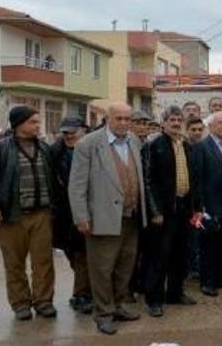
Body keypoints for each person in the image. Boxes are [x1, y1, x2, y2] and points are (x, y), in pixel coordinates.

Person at [69, 102, 158, 335]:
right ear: (108, 118)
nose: (124, 123)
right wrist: (81, 217)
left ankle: (118, 305)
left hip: (131, 217)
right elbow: (76, 185)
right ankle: (103, 314)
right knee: (102, 270)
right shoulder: (88, 144)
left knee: (124, 267)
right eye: (119, 118)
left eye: (128, 119)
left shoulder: (134, 141)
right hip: (102, 218)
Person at [0, 106, 59, 321]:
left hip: (42, 215)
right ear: (19, 124)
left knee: (43, 262)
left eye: (38, 121)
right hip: (11, 216)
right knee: (14, 263)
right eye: (33, 122)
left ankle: (44, 302)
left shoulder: (45, 148)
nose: (38, 125)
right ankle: (20, 304)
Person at [142, 106, 199, 318]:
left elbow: (194, 179)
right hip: (164, 211)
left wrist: (195, 208)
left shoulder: (186, 145)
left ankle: (175, 293)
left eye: (178, 120)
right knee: (159, 256)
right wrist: (155, 211)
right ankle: (154, 300)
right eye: (172, 120)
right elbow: (147, 181)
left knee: (180, 255)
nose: (176, 123)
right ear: (163, 122)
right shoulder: (154, 145)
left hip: (184, 208)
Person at [191, 111, 222, 297]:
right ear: (210, 126)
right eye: (219, 123)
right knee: (209, 245)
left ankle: (220, 276)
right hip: (211, 204)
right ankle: (207, 282)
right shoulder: (202, 147)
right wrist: (201, 208)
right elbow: (197, 179)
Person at [49, 116, 92, 314]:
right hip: (63, 214)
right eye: (65, 132)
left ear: (84, 130)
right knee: (74, 255)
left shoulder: (94, 149)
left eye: (73, 132)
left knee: (83, 254)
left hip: (89, 211)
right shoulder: (54, 152)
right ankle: (84, 292)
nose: (68, 135)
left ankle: (82, 294)